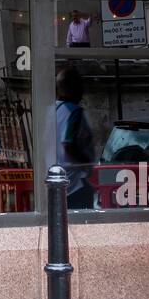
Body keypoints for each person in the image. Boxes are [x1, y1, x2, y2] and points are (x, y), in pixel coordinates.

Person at [52, 67, 96, 209]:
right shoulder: (73, 112)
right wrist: (87, 162)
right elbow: (68, 143)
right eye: (80, 86)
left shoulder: (52, 111)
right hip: (74, 183)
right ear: (72, 88)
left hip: (56, 182)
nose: (82, 91)